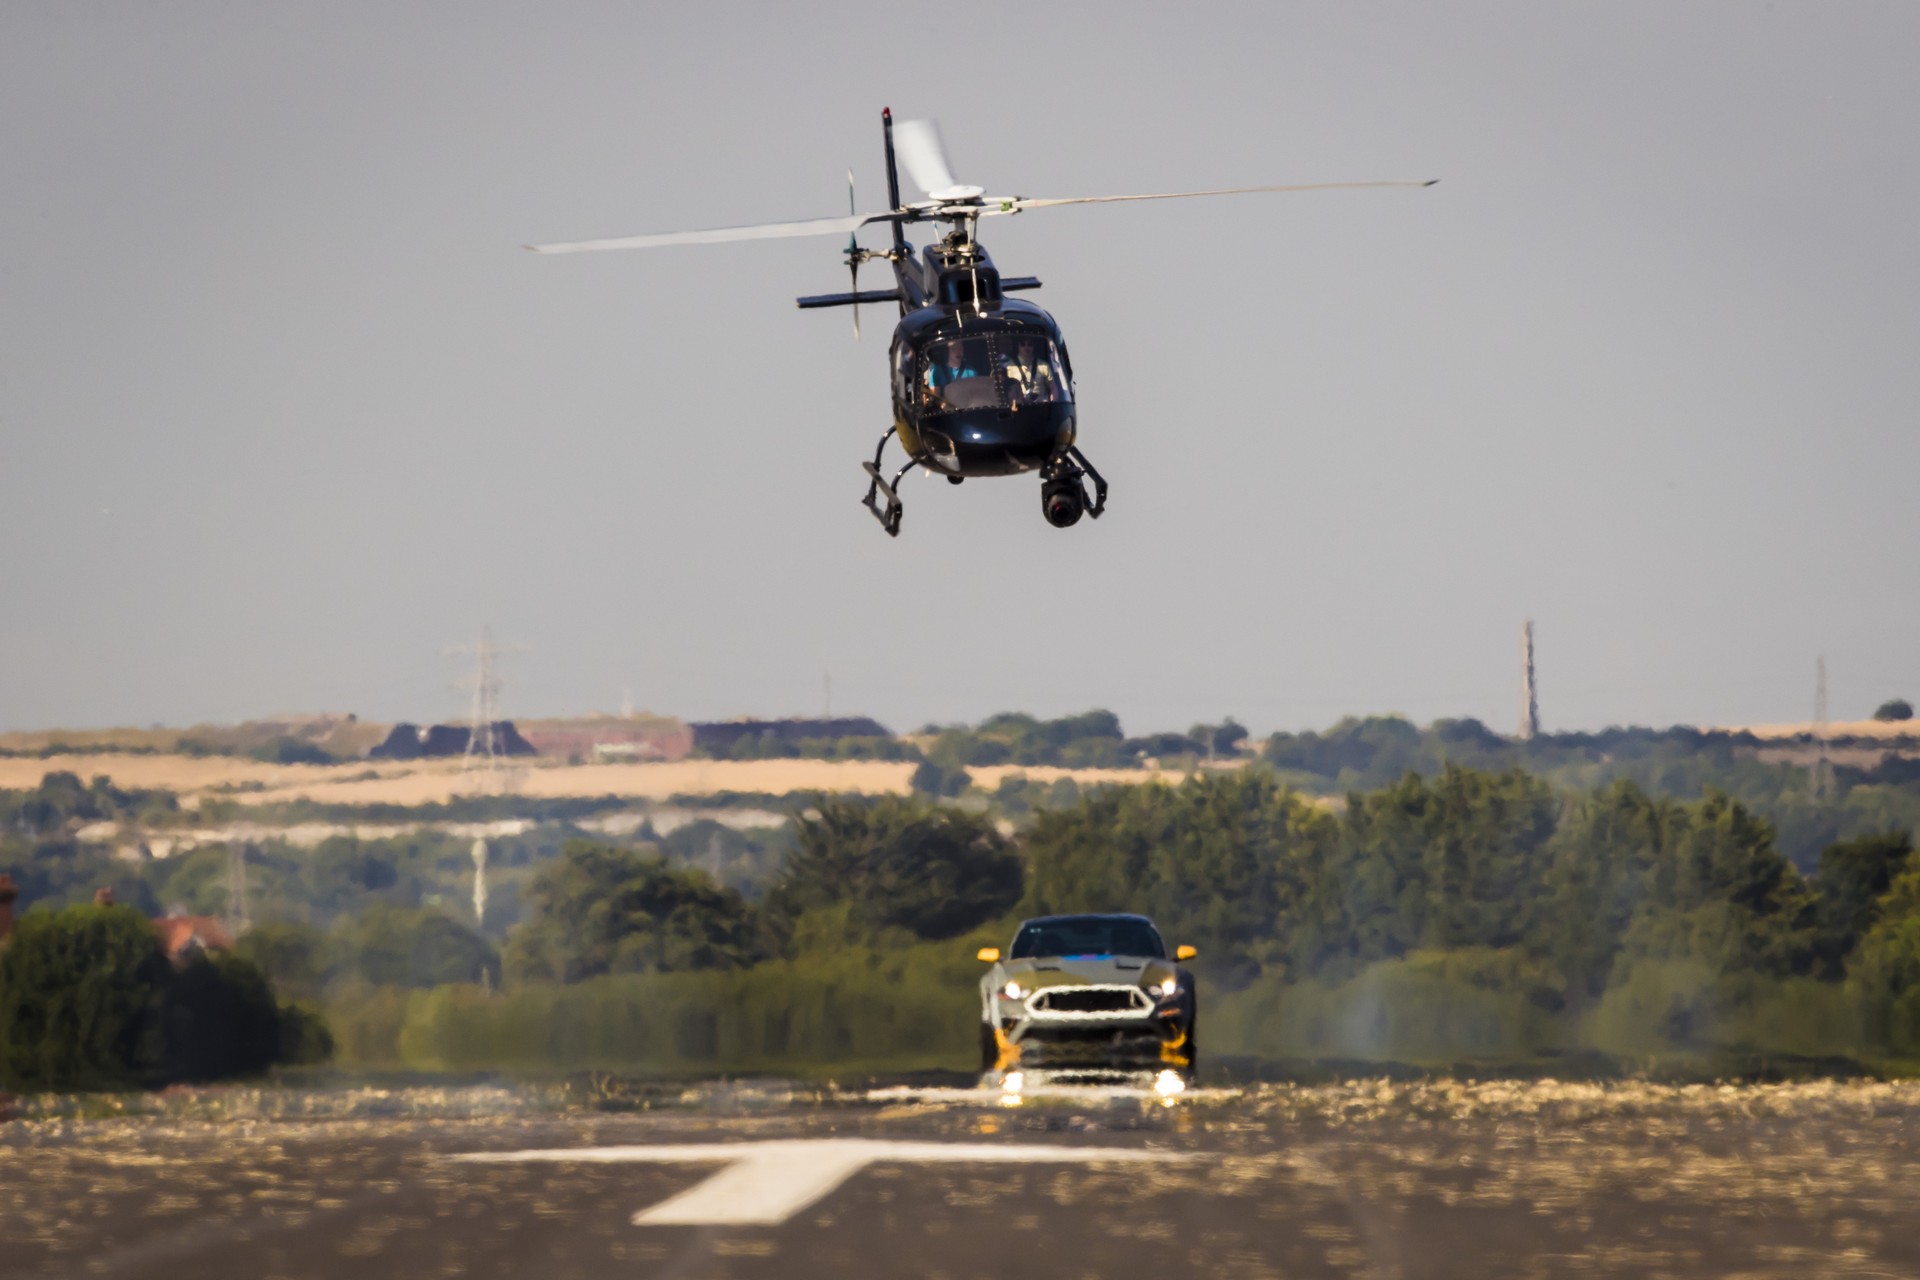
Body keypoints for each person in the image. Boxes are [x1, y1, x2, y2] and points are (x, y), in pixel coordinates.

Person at [1003, 335, 1059, 406]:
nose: (1026, 347)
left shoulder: (1044, 366)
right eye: (1023, 344)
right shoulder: (1009, 367)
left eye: (1030, 344)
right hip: (1019, 407)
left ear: (1034, 347)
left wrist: (1052, 405)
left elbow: (1053, 387)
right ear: (1018, 346)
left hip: (1042, 407)